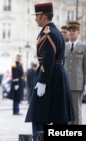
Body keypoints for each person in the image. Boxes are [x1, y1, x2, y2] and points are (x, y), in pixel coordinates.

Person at [25, 2, 75, 140]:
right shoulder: (57, 32)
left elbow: (47, 59)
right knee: (59, 114)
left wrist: (43, 80)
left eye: (37, 16)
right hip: (58, 74)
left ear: (43, 16)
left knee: (38, 114)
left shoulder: (48, 33)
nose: (35, 19)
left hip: (49, 75)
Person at [64, 21, 86, 125]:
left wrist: (85, 84)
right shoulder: (63, 47)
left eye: (74, 31)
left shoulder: (83, 47)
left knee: (76, 110)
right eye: (70, 31)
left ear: (78, 32)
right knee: (66, 110)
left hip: (78, 84)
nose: (71, 33)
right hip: (64, 84)